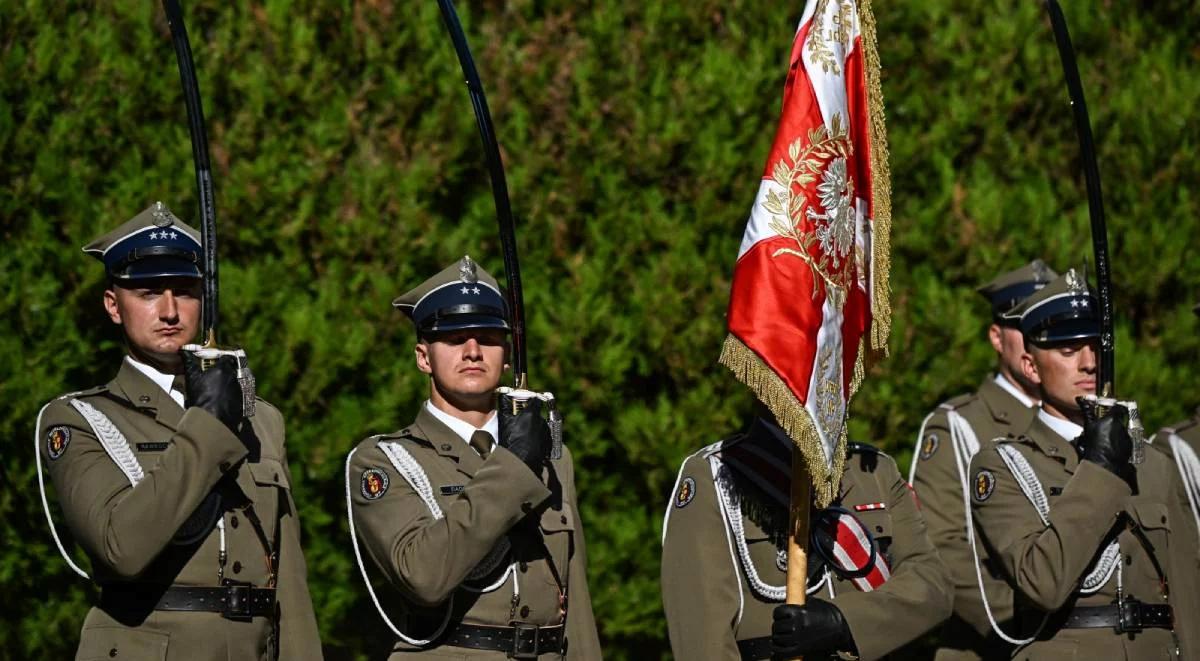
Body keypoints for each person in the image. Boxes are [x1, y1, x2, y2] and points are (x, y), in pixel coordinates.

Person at [36, 202, 322, 660]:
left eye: (185, 291)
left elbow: (287, 576)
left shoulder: (261, 418)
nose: (170, 310)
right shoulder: (79, 419)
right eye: (149, 293)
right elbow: (121, 547)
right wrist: (208, 425)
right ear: (114, 306)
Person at [346, 256, 601, 659]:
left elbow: (575, 597)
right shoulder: (383, 460)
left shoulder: (552, 456)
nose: (472, 351)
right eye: (453, 338)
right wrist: (513, 467)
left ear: (506, 353)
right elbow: (423, 577)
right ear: (423, 357)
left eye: (488, 337)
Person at [968, 269, 1196, 659]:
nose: (1089, 363)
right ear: (1031, 367)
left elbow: (1188, 594)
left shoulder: (1153, 462)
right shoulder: (1004, 464)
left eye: (1095, 346)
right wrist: (1101, 468)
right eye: (1068, 350)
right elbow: (1043, 582)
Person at [662, 409, 952, 660]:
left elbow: (932, 585)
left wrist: (845, 622)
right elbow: (703, 643)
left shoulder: (874, 471)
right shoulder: (716, 476)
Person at [908, 260, 1055, 660]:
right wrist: (1044, 623)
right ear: (996, 336)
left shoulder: (1086, 422)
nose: (1040, 341)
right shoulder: (959, 426)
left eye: (1052, 328)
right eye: (1027, 329)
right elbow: (941, 548)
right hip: (994, 644)